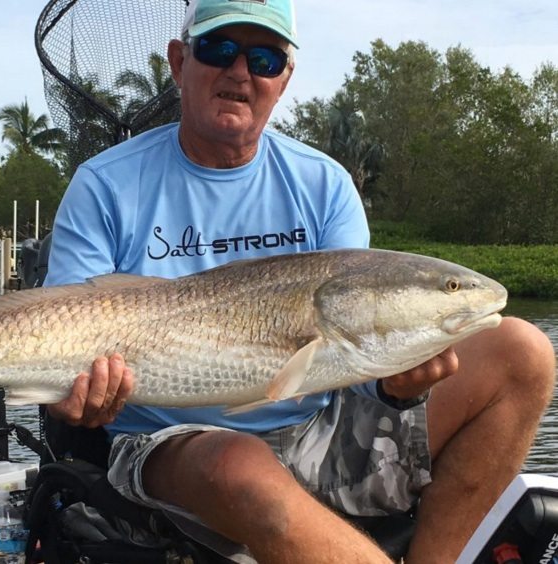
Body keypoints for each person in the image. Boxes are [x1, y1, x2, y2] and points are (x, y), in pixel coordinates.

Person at [42, 0, 557, 561]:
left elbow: (353, 361)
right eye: (219, 49)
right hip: (166, 444)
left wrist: (396, 387)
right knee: (240, 465)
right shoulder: (105, 185)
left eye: (264, 59)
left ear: (283, 79)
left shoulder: (324, 185)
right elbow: (62, 339)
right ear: (178, 62)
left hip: (319, 425)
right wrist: (74, 395)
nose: (240, 72)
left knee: (523, 351)